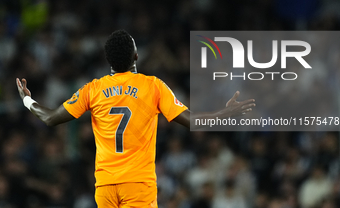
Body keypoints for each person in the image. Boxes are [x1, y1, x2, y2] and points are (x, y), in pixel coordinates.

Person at [16, 30, 255, 208]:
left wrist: (28, 100)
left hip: (105, 187)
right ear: (136, 56)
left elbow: (49, 118)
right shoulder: (152, 86)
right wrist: (223, 114)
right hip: (138, 185)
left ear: (109, 61)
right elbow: (192, 121)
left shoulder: (93, 89)